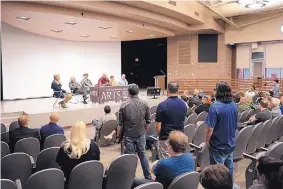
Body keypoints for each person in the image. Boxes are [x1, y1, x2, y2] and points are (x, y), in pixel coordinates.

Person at [117, 84, 151, 179]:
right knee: (143, 156)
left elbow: (120, 123)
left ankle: (131, 178)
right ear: (138, 91)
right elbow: (148, 121)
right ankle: (148, 177)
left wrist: (118, 136)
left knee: (131, 158)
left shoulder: (123, 105)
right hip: (141, 134)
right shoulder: (145, 104)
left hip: (128, 136)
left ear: (128, 92)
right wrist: (144, 131)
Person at [205, 81, 237, 176]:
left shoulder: (214, 107)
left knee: (217, 173)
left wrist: (207, 142)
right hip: (230, 143)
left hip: (218, 145)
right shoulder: (234, 105)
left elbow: (209, 128)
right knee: (229, 169)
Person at [155, 81, 187, 159]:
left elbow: (158, 127)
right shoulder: (184, 104)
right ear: (178, 90)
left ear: (167, 90)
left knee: (165, 162)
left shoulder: (162, 105)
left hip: (166, 138)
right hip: (179, 138)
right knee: (177, 161)